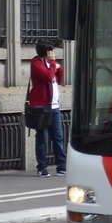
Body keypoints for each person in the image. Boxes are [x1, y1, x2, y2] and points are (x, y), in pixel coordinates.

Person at [29, 41, 66, 176]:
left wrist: (59, 68)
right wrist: (52, 63)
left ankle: (61, 166)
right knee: (42, 137)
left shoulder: (51, 64)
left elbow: (59, 80)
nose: (53, 54)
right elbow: (48, 77)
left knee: (58, 137)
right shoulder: (36, 63)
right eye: (51, 51)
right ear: (46, 52)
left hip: (54, 106)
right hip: (42, 107)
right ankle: (41, 167)